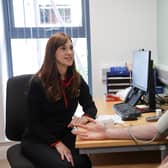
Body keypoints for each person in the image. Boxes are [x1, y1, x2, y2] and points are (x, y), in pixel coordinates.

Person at [21, 32, 97, 168]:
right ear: (52, 53)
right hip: (38, 139)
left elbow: (90, 106)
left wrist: (85, 117)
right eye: (63, 48)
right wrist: (57, 143)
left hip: (63, 134)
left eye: (71, 48)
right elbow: (34, 124)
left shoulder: (76, 79)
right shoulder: (38, 83)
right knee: (64, 166)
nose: (69, 52)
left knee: (84, 163)